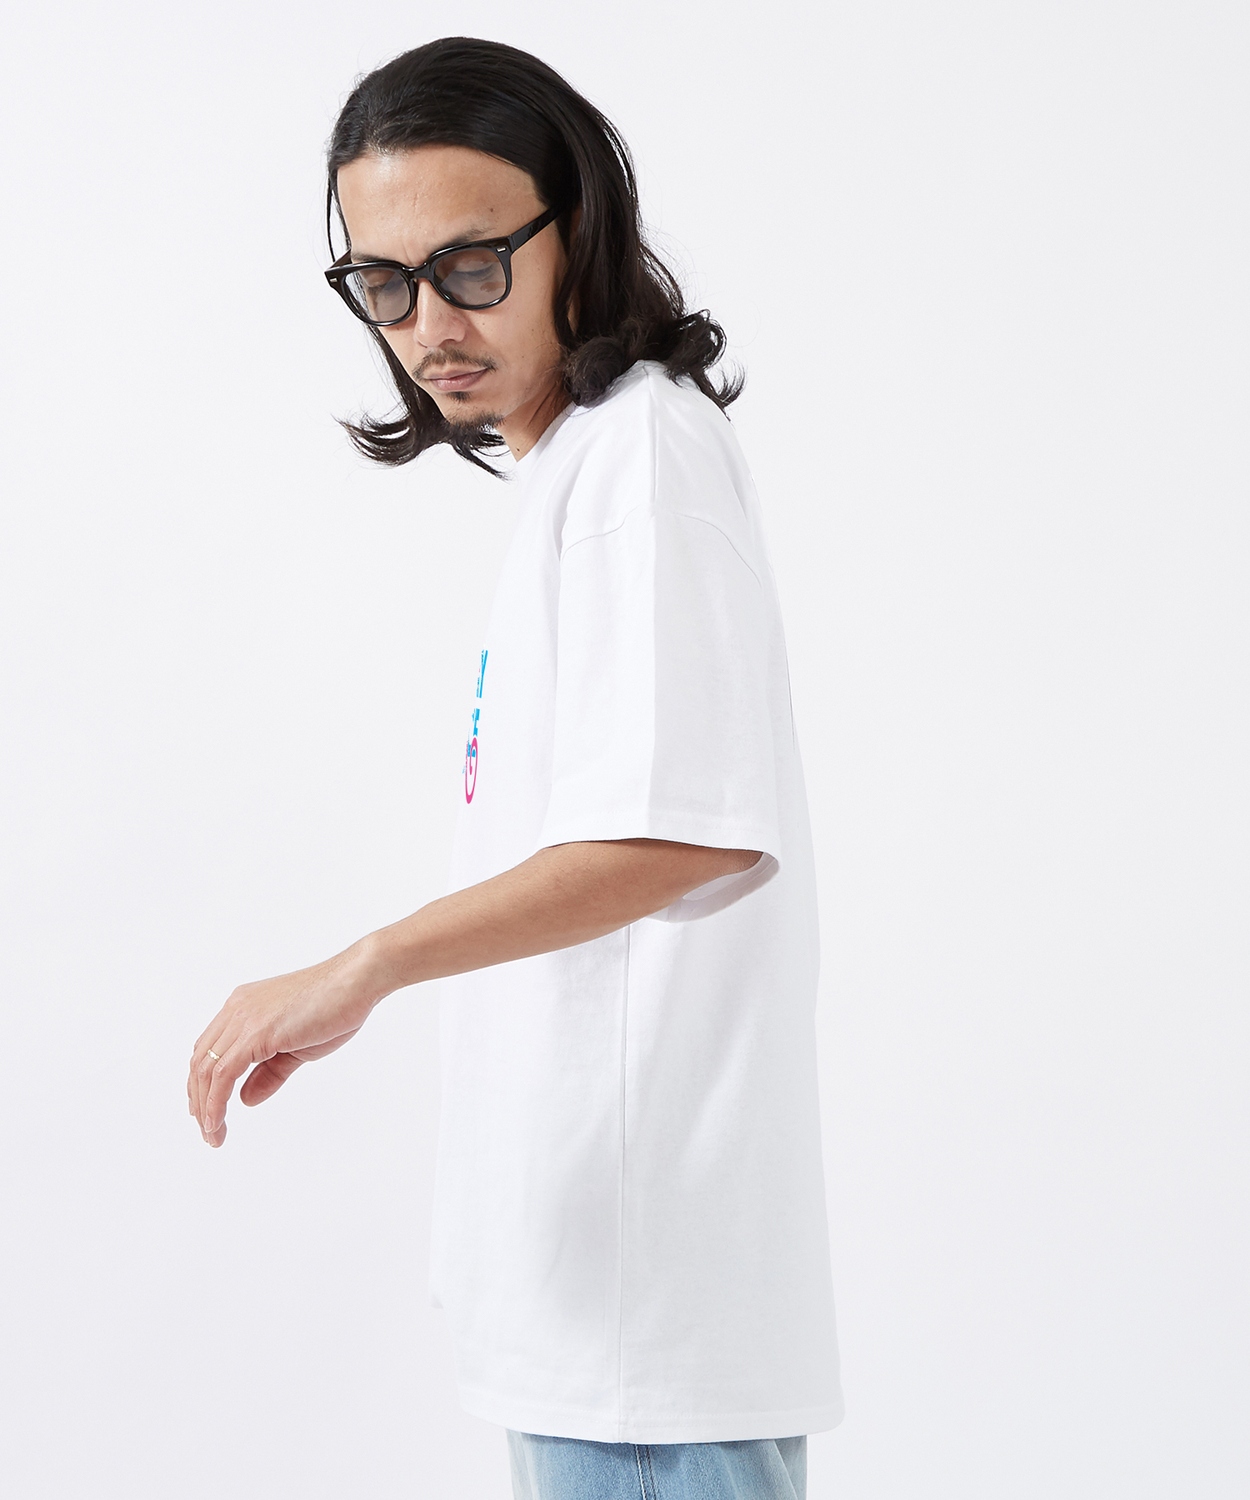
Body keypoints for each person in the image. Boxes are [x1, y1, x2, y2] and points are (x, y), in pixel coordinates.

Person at [187, 36, 842, 1500]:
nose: (430, 324)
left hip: (641, 1331)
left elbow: (682, 833)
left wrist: (364, 966)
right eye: (384, 282)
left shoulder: (639, 460)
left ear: (576, 233)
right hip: (598, 1306)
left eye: (472, 266)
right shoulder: (583, 468)